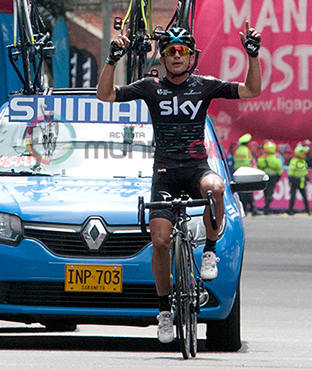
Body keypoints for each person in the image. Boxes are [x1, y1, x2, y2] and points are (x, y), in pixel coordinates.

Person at [96, 22, 262, 343]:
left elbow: (251, 90)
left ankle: (209, 251)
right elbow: (105, 95)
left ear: (191, 57)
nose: (175, 56)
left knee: (216, 187)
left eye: (181, 51)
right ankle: (164, 312)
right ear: (163, 56)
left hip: (196, 168)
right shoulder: (149, 86)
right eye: (170, 51)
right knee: (160, 242)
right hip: (165, 174)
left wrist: (252, 56)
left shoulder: (206, 85)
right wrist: (112, 59)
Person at [234, 133, 260, 215]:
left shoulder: (237, 150)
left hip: (238, 172)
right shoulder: (247, 151)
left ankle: (246, 209)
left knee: (241, 192)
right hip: (246, 172)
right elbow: (249, 162)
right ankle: (251, 209)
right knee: (248, 191)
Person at [257, 141, 283, 214]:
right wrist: (278, 177)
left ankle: (266, 206)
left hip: (264, 177)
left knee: (265, 191)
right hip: (273, 177)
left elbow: (258, 168)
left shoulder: (261, 158)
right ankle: (267, 206)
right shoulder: (276, 159)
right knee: (270, 191)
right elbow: (279, 169)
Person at [287, 144, 310, 215]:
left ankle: (307, 209)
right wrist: (290, 180)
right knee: (293, 196)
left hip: (302, 181)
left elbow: (304, 171)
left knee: (304, 195)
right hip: (295, 180)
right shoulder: (294, 161)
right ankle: (290, 210)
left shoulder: (303, 161)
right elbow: (291, 171)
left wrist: (307, 178)